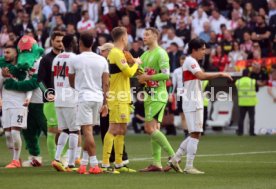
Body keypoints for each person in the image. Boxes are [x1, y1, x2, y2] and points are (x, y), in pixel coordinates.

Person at [168, 38, 232, 174]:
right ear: (194, 50)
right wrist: (220, 73)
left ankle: (176, 159)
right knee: (196, 134)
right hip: (192, 102)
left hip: (193, 101)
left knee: (195, 133)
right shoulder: (191, 61)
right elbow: (201, 76)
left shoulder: (192, 61)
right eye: (202, 49)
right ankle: (188, 166)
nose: (205, 52)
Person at [137, 27, 178, 172]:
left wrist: (147, 77)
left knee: (149, 128)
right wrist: (139, 76)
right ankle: (156, 163)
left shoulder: (161, 53)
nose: (144, 37)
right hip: (149, 95)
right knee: (155, 129)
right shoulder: (144, 55)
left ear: (155, 36)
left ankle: (174, 157)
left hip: (158, 95)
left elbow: (166, 75)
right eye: (144, 34)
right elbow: (138, 72)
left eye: (147, 34)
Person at [69, 31, 109, 174]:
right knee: (89, 132)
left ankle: (94, 165)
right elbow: (106, 83)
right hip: (98, 97)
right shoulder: (102, 60)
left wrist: (79, 88)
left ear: (80, 43)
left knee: (87, 132)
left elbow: (71, 81)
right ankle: (83, 164)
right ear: (92, 43)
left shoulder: (75, 60)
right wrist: (105, 102)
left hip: (84, 98)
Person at [101, 27, 140, 173]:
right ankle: (105, 164)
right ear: (123, 38)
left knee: (122, 129)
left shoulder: (118, 53)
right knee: (113, 129)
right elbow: (129, 73)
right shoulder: (116, 53)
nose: (128, 38)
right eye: (127, 36)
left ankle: (119, 163)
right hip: (117, 97)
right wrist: (137, 62)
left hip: (123, 96)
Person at [51, 35, 79, 172]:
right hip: (70, 97)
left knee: (65, 130)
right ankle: (71, 163)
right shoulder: (75, 58)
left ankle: (57, 159)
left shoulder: (56, 58)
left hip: (58, 97)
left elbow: (53, 77)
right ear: (73, 43)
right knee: (74, 130)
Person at [98, 42, 129, 165]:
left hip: (112, 98)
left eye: (103, 50)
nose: (101, 53)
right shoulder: (107, 64)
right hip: (114, 98)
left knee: (113, 128)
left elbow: (107, 84)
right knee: (114, 128)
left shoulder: (109, 65)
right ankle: (114, 160)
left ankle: (115, 159)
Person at [1, 45, 31, 168]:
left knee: (14, 132)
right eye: (4, 52)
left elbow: (29, 85)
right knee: (7, 135)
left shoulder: (23, 69)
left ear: (15, 54)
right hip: (7, 104)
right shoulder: (2, 69)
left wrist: (28, 98)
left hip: (20, 103)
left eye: (8, 52)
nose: (5, 55)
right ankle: (16, 158)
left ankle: (15, 161)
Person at [37, 31, 64, 160]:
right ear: (52, 41)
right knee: (53, 130)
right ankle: (55, 159)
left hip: (66, 99)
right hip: (51, 101)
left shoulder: (67, 58)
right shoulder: (46, 59)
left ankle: (63, 158)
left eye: (62, 41)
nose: (60, 44)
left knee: (66, 130)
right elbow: (39, 80)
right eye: (58, 41)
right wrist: (48, 93)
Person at [235, 69, 258, 136]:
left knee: (241, 118)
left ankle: (240, 132)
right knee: (251, 118)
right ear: (249, 74)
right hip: (251, 102)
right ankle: (251, 132)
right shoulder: (252, 81)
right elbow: (257, 89)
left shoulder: (238, 82)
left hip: (242, 102)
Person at [171, 55, 188, 138]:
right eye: (181, 60)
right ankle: (186, 132)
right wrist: (171, 94)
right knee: (182, 115)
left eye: (184, 60)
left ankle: (191, 131)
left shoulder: (191, 70)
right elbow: (173, 84)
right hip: (180, 95)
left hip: (190, 95)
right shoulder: (176, 71)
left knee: (189, 114)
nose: (182, 61)